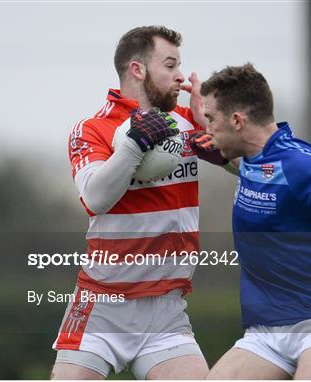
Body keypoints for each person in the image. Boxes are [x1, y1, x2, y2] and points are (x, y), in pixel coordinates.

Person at [195, 63, 311, 380]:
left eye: (212, 120)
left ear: (237, 120)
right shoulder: (252, 160)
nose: (209, 130)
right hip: (266, 333)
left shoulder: (297, 162)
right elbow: (232, 159)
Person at [51, 26, 210, 379]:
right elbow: (96, 197)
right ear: (137, 69)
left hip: (167, 310)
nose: (180, 75)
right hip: (103, 306)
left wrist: (214, 128)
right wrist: (134, 144)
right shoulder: (93, 128)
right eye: (170, 65)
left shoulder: (188, 123)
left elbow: (251, 169)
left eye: (180, 65)